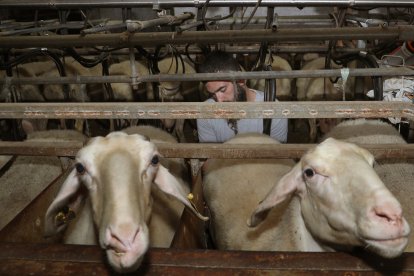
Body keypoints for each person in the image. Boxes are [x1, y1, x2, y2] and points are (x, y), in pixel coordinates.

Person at [196, 51, 288, 143]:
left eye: (223, 90)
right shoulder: (205, 113)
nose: (219, 101)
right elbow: (211, 155)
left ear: (241, 80)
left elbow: (277, 155)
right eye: (212, 94)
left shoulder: (274, 109)